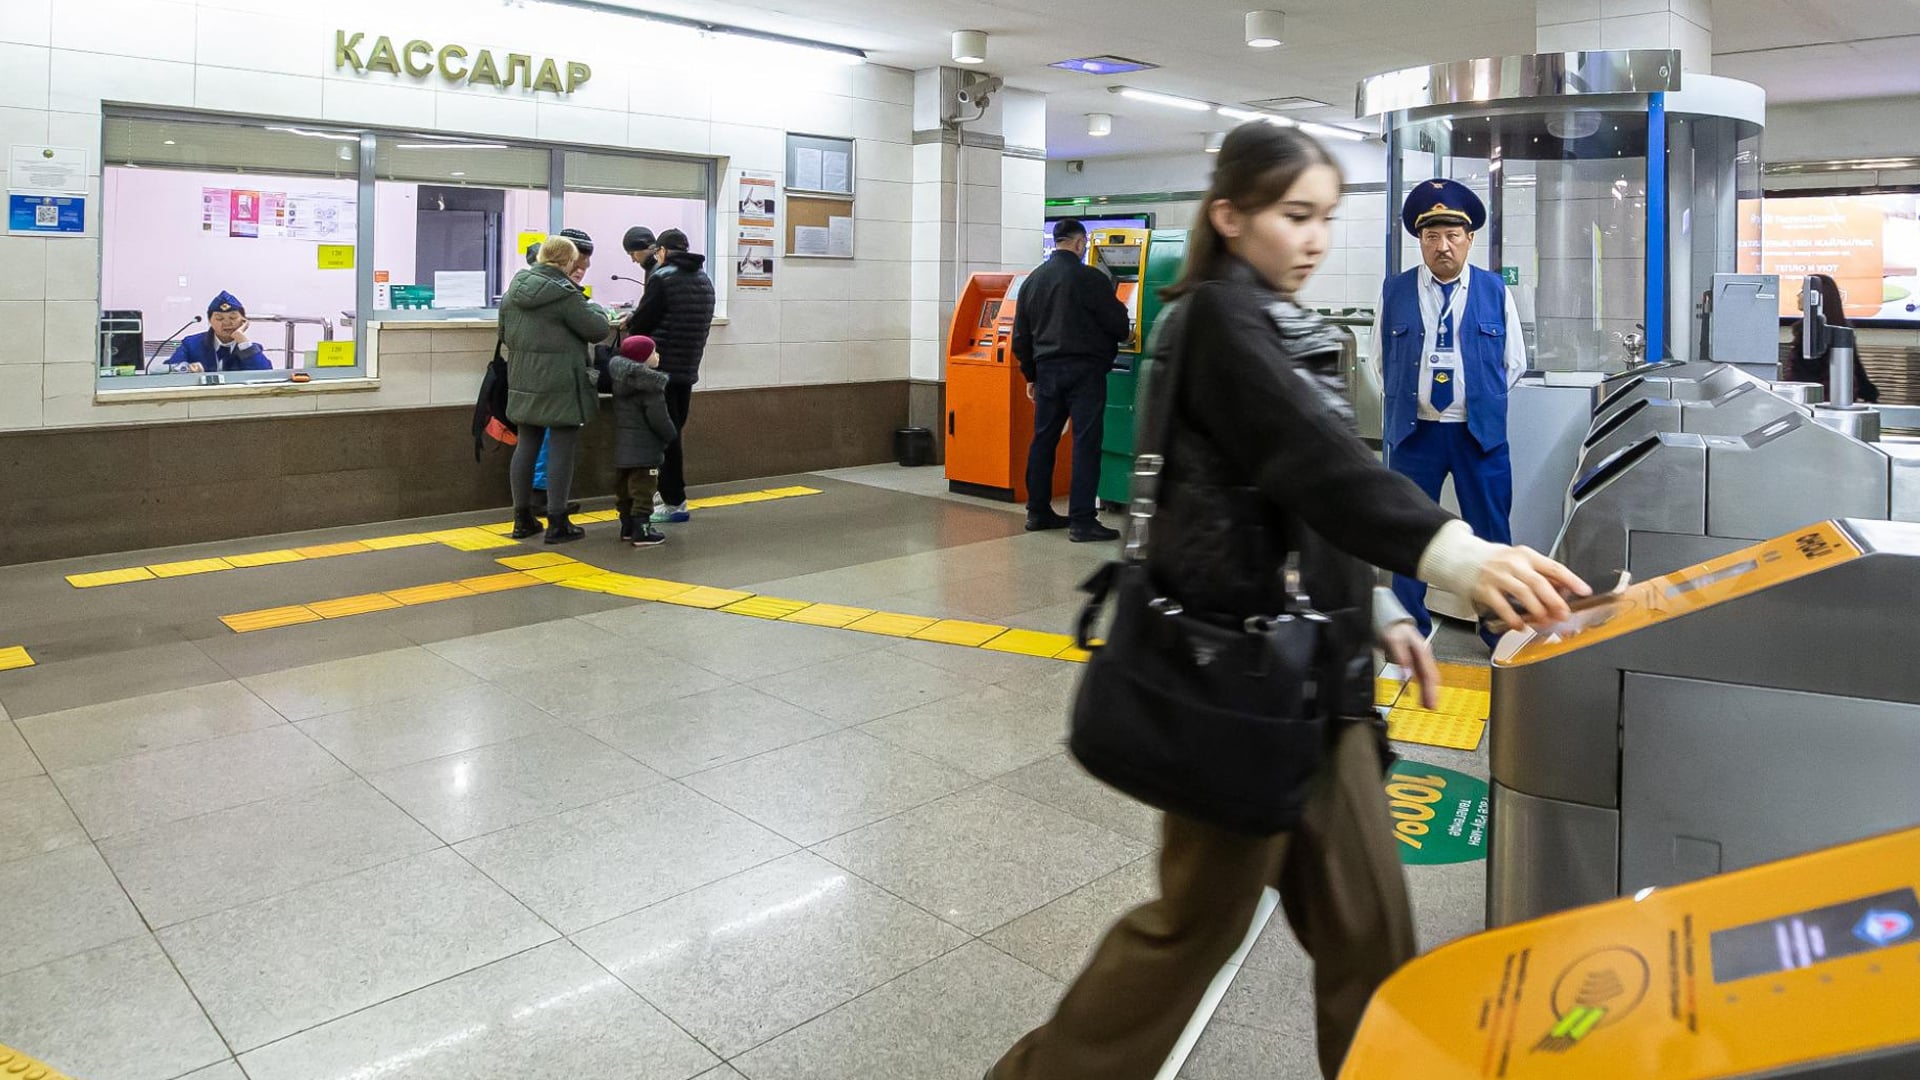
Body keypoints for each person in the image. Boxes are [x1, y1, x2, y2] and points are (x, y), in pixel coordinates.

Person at [986, 123, 1588, 1080]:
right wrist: (1455, 554)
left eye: (1325, 219)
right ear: (1230, 216)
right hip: (1243, 688)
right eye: (1294, 216)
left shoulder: (1272, 317)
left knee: (1372, 945)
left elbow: (1303, 488)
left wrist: (1381, 610)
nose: (1313, 240)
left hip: (1315, 683)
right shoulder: (1218, 320)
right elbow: (1313, 462)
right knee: (1191, 931)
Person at [1373, 178, 1528, 645]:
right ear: (1420, 240)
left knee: (1492, 535)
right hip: (1414, 434)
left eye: (1452, 235)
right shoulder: (1395, 290)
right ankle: (1408, 635)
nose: (1443, 246)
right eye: (1432, 236)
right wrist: (1415, 400)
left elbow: (1514, 363)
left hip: (1477, 435)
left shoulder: (1494, 290)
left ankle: (1500, 634)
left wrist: (1474, 401)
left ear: (1469, 238)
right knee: (1409, 534)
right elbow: (1380, 360)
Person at [1011, 218, 1132, 542]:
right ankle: (1082, 521)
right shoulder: (1090, 278)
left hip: (1047, 371)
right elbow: (1120, 324)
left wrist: (1030, 374)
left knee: (1043, 440)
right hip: (1085, 372)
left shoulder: (1033, 281)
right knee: (1085, 443)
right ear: (1079, 243)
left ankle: (1038, 512)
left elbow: (1020, 336)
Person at [500, 235, 610, 545]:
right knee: (562, 447)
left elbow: (504, 334)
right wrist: (596, 308)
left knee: (526, 445)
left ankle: (522, 519)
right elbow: (597, 329)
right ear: (567, 261)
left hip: (523, 380)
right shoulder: (565, 294)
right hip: (562, 383)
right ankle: (557, 522)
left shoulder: (512, 292)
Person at [625, 227, 716, 525]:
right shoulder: (704, 279)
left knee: (665, 436)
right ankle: (670, 495)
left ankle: (674, 500)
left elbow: (642, 324)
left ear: (662, 251)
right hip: (687, 369)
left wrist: (631, 321)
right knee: (674, 431)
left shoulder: (662, 278)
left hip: (661, 370)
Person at [602, 334, 676, 547]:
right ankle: (642, 531)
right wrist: (671, 435)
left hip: (623, 450)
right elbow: (659, 419)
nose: (657, 355)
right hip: (646, 450)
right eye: (653, 352)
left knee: (624, 490)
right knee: (643, 490)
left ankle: (627, 527)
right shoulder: (650, 386)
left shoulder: (620, 381)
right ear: (642, 358)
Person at [1787, 273, 1880, 403]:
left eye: (1803, 291)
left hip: (1815, 401)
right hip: (1836, 398)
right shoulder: (1842, 329)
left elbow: (1802, 375)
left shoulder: (1810, 333)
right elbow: (1856, 368)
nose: (1798, 295)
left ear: (1817, 297)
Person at [167, 291, 272, 372]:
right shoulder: (191, 344)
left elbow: (265, 374)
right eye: (219, 318)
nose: (227, 323)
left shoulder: (249, 348)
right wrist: (187, 369)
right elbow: (170, 369)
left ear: (243, 320)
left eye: (233, 318)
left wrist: (242, 340)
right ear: (210, 321)